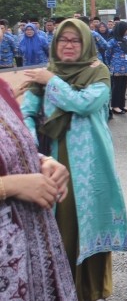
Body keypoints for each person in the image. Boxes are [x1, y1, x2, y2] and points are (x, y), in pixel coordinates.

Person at [21, 18, 127, 301]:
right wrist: (33, 147)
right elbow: (27, 113)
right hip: (53, 161)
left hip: (90, 164)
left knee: (87, 223)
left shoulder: (98, 71)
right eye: (63, 40)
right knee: (59, 227)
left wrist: (52, 82)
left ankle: (88, 289)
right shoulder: (46, 73)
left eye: (75, 40)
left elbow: (84, 104)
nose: (68, 45)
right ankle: (57, 289)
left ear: (86, 44)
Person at [0, 74, 77, 301]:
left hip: (33, 254)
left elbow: (13, 144)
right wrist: (10, 185)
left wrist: (41, 161)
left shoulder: (2, 89)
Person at [105, 21, 127, 115]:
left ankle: (122, 105)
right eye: (126, 29)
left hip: (126, 66)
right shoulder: (112, 41)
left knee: (123, 86)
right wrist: (110, 64)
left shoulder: (124, 40)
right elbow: (107, 54)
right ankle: (115, 106)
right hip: (116, 67)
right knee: (116, 87)